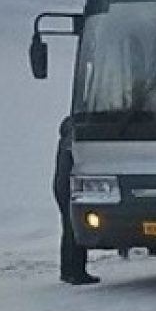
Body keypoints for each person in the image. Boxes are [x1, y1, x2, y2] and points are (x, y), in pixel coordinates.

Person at [54, 116, 99, 285]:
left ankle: (67, 270)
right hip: (69, 187)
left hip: (61, 186)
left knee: (68, 229)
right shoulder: (72, 141)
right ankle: (77, 272)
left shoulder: (64, 141)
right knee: (75, 229)